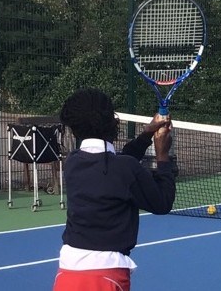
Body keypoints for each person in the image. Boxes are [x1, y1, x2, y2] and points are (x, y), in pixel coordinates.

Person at [52, 88, 176, 291]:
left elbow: (118, 161)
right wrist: (162, 154)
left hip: (66, 274)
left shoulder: (73, 161)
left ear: (74, 129)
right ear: (113, 121)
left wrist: (146, 134)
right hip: (106, 276)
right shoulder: (125, 169)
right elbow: (163, 203)